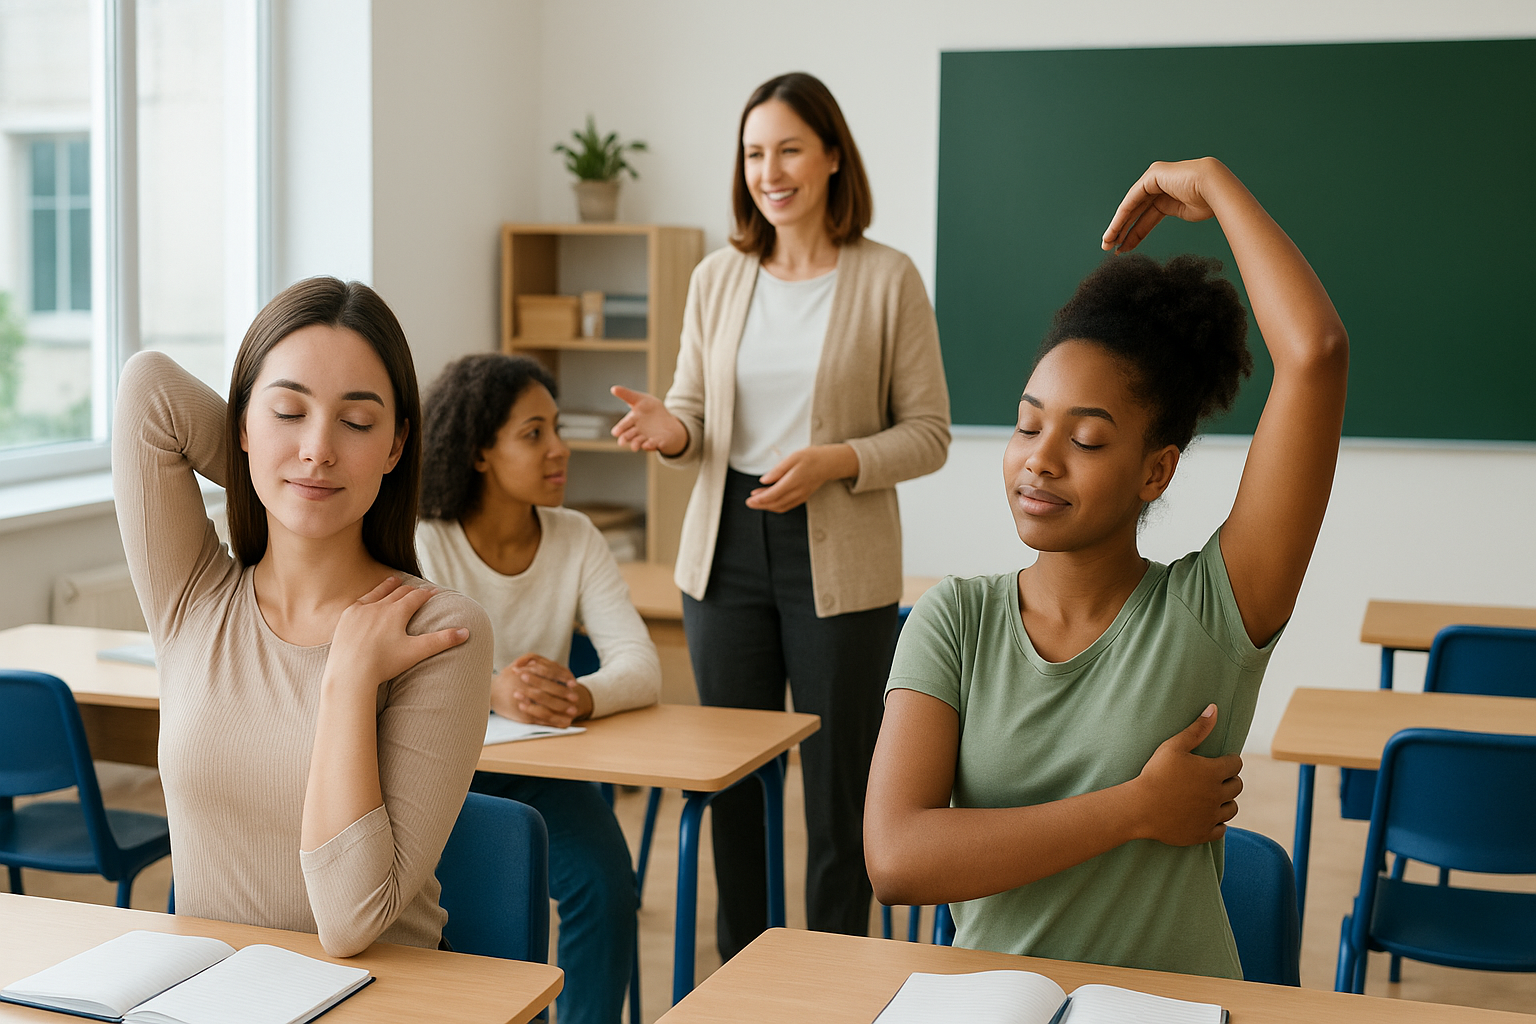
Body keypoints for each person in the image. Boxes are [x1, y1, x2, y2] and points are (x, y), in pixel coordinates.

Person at [863, 157, 1349, 978]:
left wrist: (1217, 187)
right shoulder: (957, 619)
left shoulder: (1215, 609)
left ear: (1155, 472)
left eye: (1086, 440)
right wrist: (1134, 810)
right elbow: (897, 858)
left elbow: (1316, 355)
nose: (1039, 461)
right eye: (1027, 426)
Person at [609, 71, 951, 960]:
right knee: (735, 787)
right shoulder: (719, 277)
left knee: (840, 793)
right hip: (725, 552)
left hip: (840, 557)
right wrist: (670, 431)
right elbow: (694, 415)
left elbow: (929, 434)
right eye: (755, 153)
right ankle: (746, 980)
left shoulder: (888, 278)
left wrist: (837, 462)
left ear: (833, 157)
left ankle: (836, 977)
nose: (772, 170)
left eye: (790, 148)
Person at [112, 277, 492, 956]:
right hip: (207, 1000)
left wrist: (348, 679)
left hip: (379, 1002)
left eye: (357, 423)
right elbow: (150, 390)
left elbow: (350, 924)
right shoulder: (194, 597)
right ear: (240, 427)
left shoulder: (438, 632)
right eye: (288, 411)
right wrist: (282, 482)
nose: (319, 447)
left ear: (397, 446)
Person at [417, 352, 660, 1024]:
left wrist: (577, 696)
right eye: (534, 434)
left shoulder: (576, 537)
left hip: (542, 768)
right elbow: (403, 672)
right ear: (479, 454)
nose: (560, 449)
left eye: (555, 428)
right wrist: (491, 687)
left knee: (606, 884)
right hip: (444, 774)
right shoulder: (426, 541)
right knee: (472, 915)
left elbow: (640, 665)